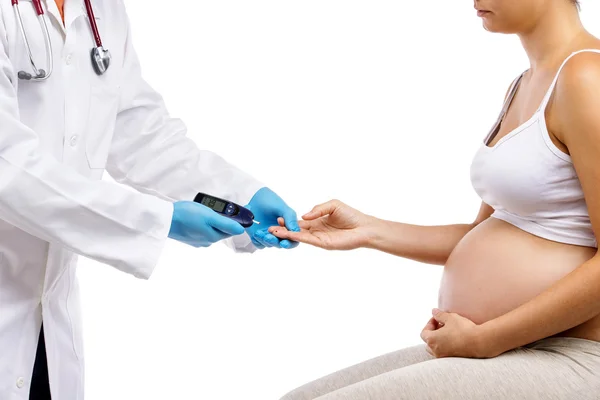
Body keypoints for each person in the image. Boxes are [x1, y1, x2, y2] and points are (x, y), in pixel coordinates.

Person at [271, 0, 600, 398]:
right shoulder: (524, 84)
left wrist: (486, 340)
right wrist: (368, 231)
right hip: (511, 348)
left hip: (574, 356)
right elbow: (491, 231)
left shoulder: (587, 77)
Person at [0, 1, 300, 400]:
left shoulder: (102, 10)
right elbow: (10, 168)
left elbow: (139, 133)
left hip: (45, 326)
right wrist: (160, 222)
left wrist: (238, 197)